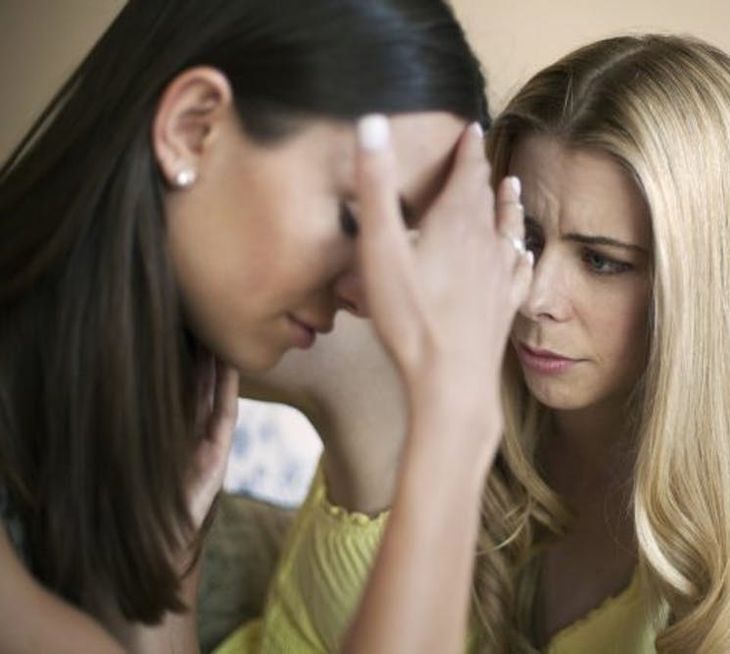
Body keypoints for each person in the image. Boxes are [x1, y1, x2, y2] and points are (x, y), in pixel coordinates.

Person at [227, 34, 730, 653]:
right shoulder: (384, 362)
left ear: (707, 298)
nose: (534, 298)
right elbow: (149, 300)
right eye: (526, 238)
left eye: (600, 261)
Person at [0, 0, 532, 652]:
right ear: (194, 128)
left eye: (405, 237)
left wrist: (163, 591)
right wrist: (455, 414)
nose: (372, 295)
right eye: (356, 220)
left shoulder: (125, 417)